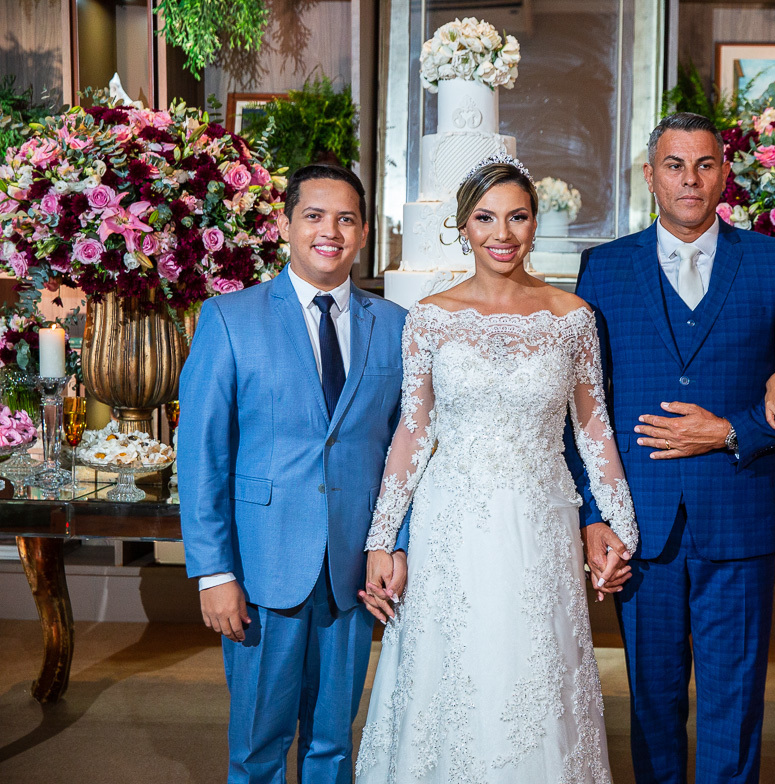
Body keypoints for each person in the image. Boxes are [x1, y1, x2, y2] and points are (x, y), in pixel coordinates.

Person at [353, 155, 638, 784]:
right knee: (454, 670)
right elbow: (413, 432)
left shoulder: (573, 318)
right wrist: (382, 538)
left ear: (535, 223)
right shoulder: (430, 317)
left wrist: (621, 528)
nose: (502, 234)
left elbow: (594, 428)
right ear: (463, 226)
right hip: (450, 523)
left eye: (517, 217)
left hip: (540, 524)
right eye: (485, 218)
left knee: (534, 668)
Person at [569, 112, 775, 784]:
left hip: (737, 518)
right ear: (650, 175)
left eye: (705, 164)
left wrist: (733, 429)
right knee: (651, 705)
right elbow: (579, 403)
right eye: (675, 165)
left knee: (734, 705)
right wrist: (593, 514)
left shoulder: (772, 263)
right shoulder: (603, 268)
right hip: (641, 522)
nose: (690, 179)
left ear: (725, 175)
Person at [178, 164, 410, 784]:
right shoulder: (230, 318)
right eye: (314, 216)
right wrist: (214, 572)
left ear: (364, 233)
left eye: (346, 219)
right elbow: (202, 456)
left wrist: (397, 544)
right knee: (258, 747)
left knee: (333, 744)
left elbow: (408, 452)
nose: (329, 231)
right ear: (285, 225)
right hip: (262, 569)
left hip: (354, 573)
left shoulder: (394, 326)